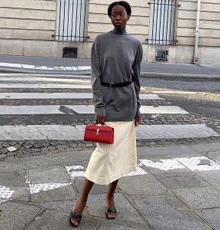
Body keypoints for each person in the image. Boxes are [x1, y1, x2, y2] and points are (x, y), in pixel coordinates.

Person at [69, 1, 143, 227]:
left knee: (120, 154)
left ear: (128, 16)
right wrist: (99, 106)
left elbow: (137, 79)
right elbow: (95, 76)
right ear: (110, 18)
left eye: (121, 14)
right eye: (114, 14)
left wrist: (138, 108)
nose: (117, 17)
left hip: (128, 103)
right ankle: (81, 200)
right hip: (108, 104)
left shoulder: (135, 43)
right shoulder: (101, 41)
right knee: (102, 153)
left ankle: (110, 196)